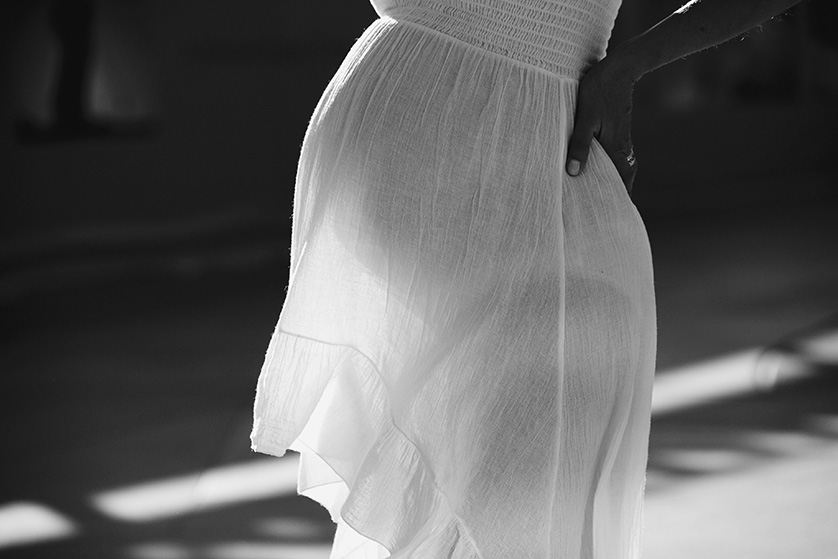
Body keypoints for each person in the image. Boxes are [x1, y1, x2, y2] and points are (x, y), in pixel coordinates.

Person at [251, 1, 802, 558]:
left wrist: (628, 65)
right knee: (502, 446)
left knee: (514, 435)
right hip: (415, 125)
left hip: (535, 121)